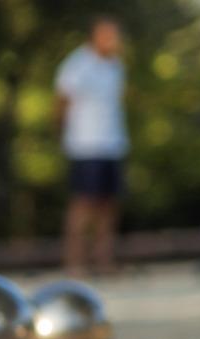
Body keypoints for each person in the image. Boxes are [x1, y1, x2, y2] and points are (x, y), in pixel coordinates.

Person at [54, 16, 128, 276]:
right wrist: (62, 134)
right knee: (83, 204)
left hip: (112, 143)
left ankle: (103, 260)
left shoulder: (116, 66)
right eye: (107, 35)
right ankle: (74, 263)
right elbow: (62, 101)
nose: (112, 40)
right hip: (85, 144)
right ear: (94, 36)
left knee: (109, 204)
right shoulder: (77, 65)